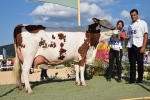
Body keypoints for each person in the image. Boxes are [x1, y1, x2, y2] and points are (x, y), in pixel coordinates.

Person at [127, 9, 148, 84]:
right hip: (130, 45)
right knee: (132, 63)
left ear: (137, 15)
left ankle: (140, 79)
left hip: (139, 45)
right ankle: (132, 79)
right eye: (131, 15)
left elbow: (145, 35)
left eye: (134, 15)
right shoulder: (129, 25)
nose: (133, 17)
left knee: (140, 63)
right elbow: (128, 37)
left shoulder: (142, 23)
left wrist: (144, 46)